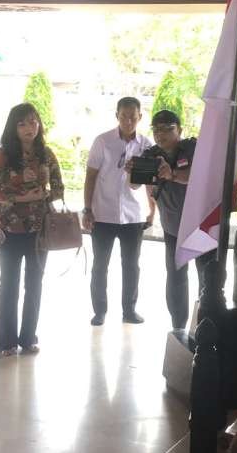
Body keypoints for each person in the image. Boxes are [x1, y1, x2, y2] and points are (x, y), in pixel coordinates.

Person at [0, 103, 63, 356]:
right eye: (22, 124)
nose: (29, 128)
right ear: (13, 127)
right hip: (9, 229)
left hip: (39, 229)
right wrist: (19, 198)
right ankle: (6, 342)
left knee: (35, 283)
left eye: (33, 122)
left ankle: (28, 337)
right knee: (9, 284)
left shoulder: (47, 154)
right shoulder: (3, 155)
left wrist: (47, 195)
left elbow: (59, 187)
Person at [134, 110, 209, 331]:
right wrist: (132, 172)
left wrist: (172, 174)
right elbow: (135, 185)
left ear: (180, 130)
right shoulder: (151, 155)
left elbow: (199, 176)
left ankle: (205, 325)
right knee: (176, 277)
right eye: (156, 130)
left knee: (206, 278)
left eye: (168, 129)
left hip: (200, 225)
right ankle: (178, 327)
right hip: (172, 226)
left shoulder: (194, 149)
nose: (161, 134)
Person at [83, 97, 155, 326]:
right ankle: (100, 310)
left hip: (133, 215)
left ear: (140, 117)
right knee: (100, 264)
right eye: (124, 116)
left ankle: (129, 310)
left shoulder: (146, 145)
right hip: (103, 213)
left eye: (133, 116)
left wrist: (152, 210)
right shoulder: (103, 141)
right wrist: (87, 209)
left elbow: (148, 182)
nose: (128, 121)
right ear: (117, 116)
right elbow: (91, 176)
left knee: (132, 264)